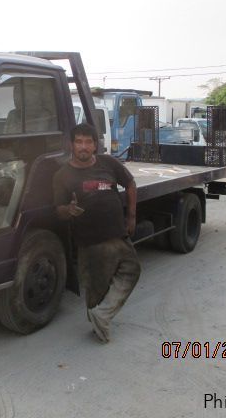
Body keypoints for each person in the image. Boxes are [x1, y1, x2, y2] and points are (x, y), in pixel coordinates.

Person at [53, 123, 141, 343]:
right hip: (90, 241)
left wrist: (131, 216)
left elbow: (130, 183)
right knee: (96, 288)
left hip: (117, 233)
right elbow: (58, 210)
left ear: (95, 145)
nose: (84, 146)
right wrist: (68, 210)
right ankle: (99, 325)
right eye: (79, 142)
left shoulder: (108, 163)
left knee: (132, 269)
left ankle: (102, 315)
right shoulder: (62, 175)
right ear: (71, 145)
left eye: (88, 142)